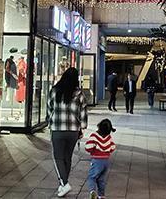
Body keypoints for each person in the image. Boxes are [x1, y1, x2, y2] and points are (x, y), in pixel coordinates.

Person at [47, 67, 88, 198]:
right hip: (73, 131)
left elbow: (49, 108)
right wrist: (82, 127)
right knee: (67, 157)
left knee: (58, 157)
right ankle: (63, 184)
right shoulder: (79, 93)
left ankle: (64, 183)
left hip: (57, 129)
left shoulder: (54, 91)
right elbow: (83, 112)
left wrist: (50, 121)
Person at [85, 119, 117, 199]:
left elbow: (88, 147)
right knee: (101, 179)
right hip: (106, 161)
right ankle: (101, 195)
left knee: (92, 177)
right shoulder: (109, 137)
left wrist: (92, 150)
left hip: (96, 161)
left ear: (99, 126)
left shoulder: (94, 136)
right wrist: (107, 151)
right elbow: (113, 147)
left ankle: (92, 192)